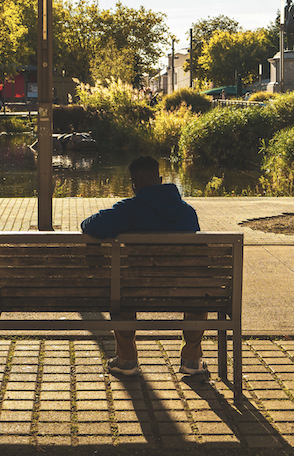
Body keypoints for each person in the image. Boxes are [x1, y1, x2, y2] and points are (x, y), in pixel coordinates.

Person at [80, 156, 207, 379]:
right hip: (184, 291)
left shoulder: (130, 210)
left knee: (119, 291)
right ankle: (191, 360)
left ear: (134, 186)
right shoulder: (187, 212)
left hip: (135, 290)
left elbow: (90, 225)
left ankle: (127, 359)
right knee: (198, 291)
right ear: (160, 180)